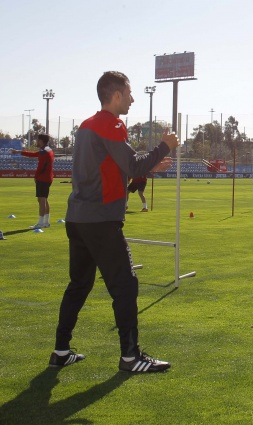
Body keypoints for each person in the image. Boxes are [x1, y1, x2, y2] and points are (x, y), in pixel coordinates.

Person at [52, 71, 178, 372]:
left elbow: (116, 166)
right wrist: (164, 146)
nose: (133, 99)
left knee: (79, 284)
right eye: (130, 93)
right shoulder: (113, 124)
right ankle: (131, 357)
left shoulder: (86, 126)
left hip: (78, 218)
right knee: (125, 285)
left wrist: (152, 165)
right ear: (117, 94)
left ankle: (60, 350)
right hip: (100, 220)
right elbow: (132, 164)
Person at [12, 134, 54, 229]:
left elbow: (41, 166)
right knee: (44, 199)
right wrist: (19, 152)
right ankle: (46, 222)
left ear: (41, 141)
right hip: (48, 178)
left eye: (38, 140)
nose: (36, 142)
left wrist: (36, 176)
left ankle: (40, 223)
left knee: (41, 200)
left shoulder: (44, 151)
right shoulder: (48, 150)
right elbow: (34, 154)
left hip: (43, 179)